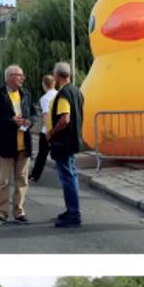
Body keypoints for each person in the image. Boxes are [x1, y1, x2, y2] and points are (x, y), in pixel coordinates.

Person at [0, 64, 35, 226]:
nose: (23, 78)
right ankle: (1, 213)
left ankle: (19, 212)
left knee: (22, 180)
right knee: (4, 181)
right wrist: (9, 121)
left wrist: (30, 121)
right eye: (19, 75)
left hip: (24, 144)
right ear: (9, 77)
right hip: (6, 144)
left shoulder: (26, 94)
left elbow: (33, 113)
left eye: (22, 75)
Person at [45, 62, 84, 228]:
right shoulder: (77, 91)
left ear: (56, 76)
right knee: (71, 175)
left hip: (63, 142)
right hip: (73, 140)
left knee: (68, 177)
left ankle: (74, 214)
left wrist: (51, 132)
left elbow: (65, 118)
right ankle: (71, 210)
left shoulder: (63, 94)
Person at [29, 73, 57, 183]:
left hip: (48, 131)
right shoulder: (59, 94)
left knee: (42, 155)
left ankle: (35, 176)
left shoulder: (45, 98)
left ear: (44, 85)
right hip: (60, 129)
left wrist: (49, 131)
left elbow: (46, 115)